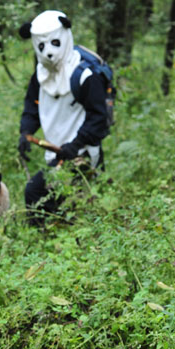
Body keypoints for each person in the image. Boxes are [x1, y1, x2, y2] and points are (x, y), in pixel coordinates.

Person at [18, 10, 110, 223]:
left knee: (44, 195)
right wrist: (26, 132)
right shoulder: (40, 76)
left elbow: (99, 118)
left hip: (83, 155)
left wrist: (76, 144)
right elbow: (33, 106)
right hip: (56, 153)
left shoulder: (85, 75)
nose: (48, 52)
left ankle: (52, 243)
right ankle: (48, 243)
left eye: (54, 43)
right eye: (42, 46)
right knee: (54, 201)